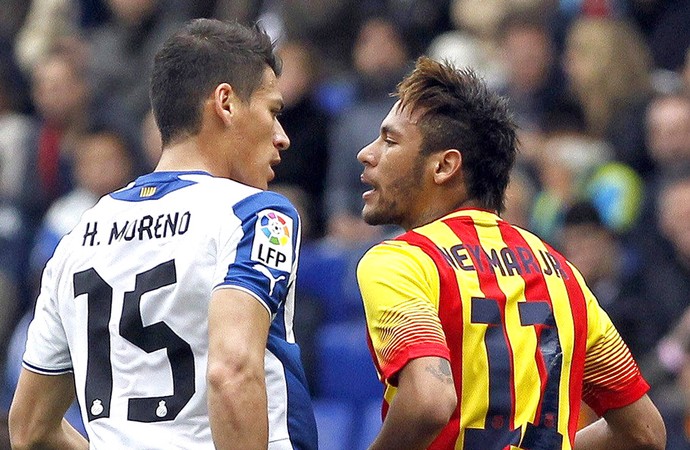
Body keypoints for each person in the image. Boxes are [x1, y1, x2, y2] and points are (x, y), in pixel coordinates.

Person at [9, 18, 317, 449]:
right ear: (225, 103)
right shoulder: (256, 214)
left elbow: (29, 429)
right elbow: (231, 372)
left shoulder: (77, 237)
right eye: (273, 111)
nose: (282, 137)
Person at [355, 56, 666, 450]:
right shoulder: (563, 274)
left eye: (390, 140)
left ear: (445, 166)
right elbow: (645, 432)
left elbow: (428, 402)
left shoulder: (402, 262)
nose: (367, 153)